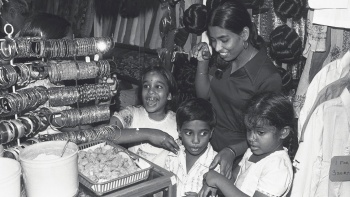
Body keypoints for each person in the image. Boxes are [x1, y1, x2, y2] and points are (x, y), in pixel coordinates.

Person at [190, 0, 282, 177]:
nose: (217, 48)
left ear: (244, 34)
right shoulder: (225, 58)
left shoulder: (267, 77)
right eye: (213, 40)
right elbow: (204, 96)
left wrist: (232, 151)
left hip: (243, 158)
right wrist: (203, 62)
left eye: (224, 40)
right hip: (210, 146)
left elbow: (266, 135)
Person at [199, 92, 297, 197]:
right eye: (249, 130)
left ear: (283, 132)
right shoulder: (251, 151)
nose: (250, 138)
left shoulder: (278, 167)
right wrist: (214, 184)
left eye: (260, 133)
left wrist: (219, 180)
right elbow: (234, 184)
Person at [110, 65, 180, 165]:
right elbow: (109, 134)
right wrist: (149, 134)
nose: (150, 91)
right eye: (146, 86)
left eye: (158, 86)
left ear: (169, 95)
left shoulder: (178, 122)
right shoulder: (132, 114)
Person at [164, 98, 219, 197]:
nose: (196, 141)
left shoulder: (216, 165)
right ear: (179, 131)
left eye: (203, 133)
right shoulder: (172, 156)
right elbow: (164, 187)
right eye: (189, 133)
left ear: (211, 132)